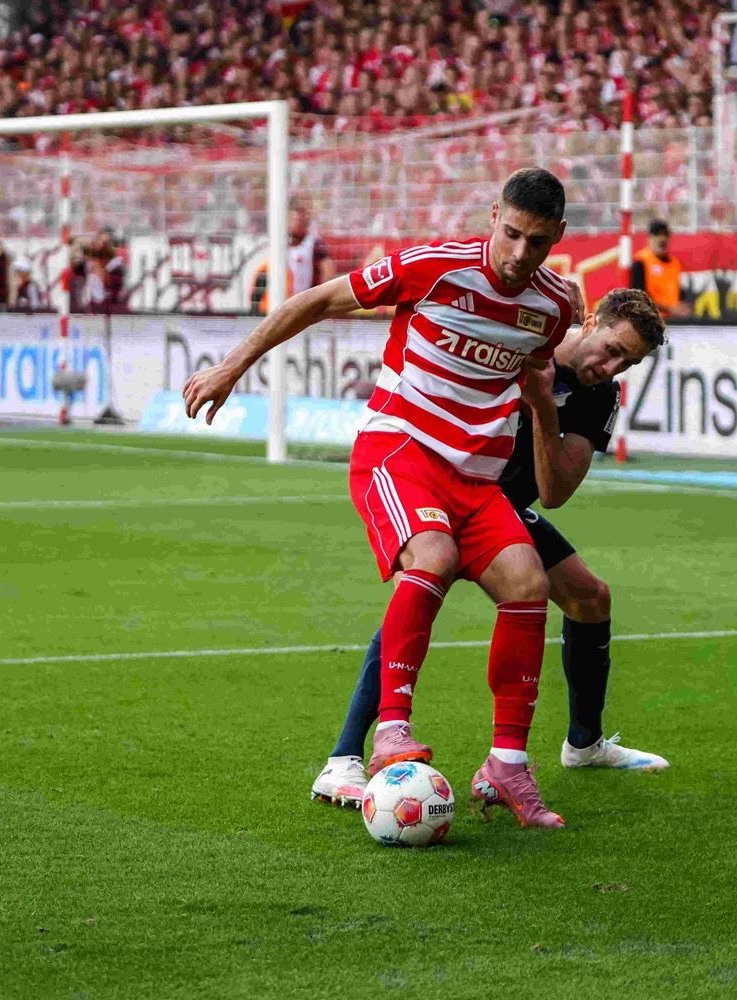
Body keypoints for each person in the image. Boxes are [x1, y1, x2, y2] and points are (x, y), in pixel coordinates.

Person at [184, 168, 581, 829]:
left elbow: (534, 370)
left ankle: (507, 764)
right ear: (492, 216)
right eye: (510, 234)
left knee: (528, 582)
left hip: (476, 480)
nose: (518, 254)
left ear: (556, 239)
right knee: (432, 552)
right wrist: (232, 366)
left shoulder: (553, 309)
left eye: (535, 242)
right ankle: (391, 729)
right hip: (399, 450)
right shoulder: (432, 266)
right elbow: (315, 301)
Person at [312, 289, 670, 811]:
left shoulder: (600, 396)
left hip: (503, 510)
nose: (610, 366)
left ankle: (585, 745)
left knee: (590, 597)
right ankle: (343, 759)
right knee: (422, 590)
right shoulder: (524, 348)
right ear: (592, 321)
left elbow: (555, 493)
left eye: (627, 362)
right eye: (611, 348)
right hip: (444, 488)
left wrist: (545, 408)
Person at [631, 219, 690, 319]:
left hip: (674, 322)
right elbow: (638, 299)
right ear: (649, 238)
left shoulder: (675, 264)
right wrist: (669, 308)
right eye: (657, 234)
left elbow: (679, 294)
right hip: (649, 321)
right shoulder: (641, 262)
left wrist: (682, 307)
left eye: (665, 235)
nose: (662, 238)